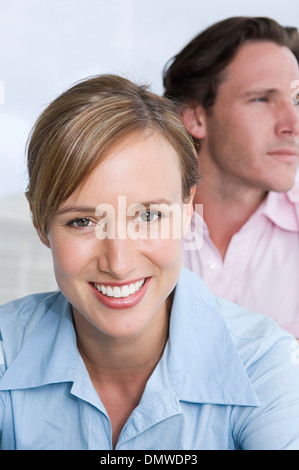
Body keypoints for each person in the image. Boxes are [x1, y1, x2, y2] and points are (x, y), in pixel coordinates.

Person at [1, 74, 299, 451]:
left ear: (188, 209)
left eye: (149, 216)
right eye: (82, 221)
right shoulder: (5, 351)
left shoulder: (265, 363)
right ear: (38, 221)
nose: (119, 263)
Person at [163, 17, 299, 338]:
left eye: (298, 101)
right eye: (262, 99)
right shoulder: (133, 227)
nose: (292, 124)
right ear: (196, 118)